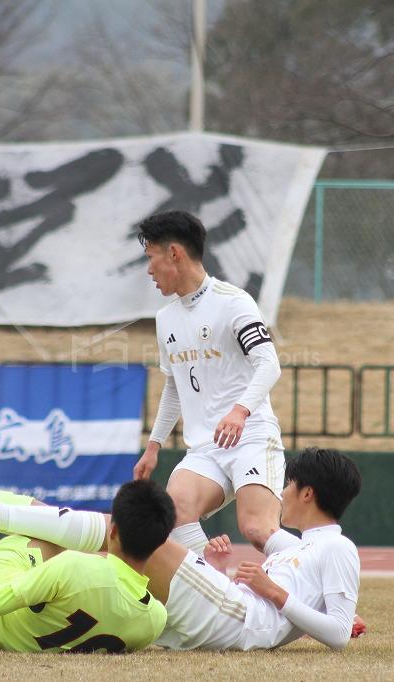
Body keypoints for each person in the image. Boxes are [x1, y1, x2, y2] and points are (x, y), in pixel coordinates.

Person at [0, 446, 362, 651]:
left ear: (307, 493)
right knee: (86, 548)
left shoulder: (338, 548)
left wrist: (274, 591)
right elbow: (332, 609)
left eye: (288, 484)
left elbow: (339, 636)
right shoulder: (301, 545)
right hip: (230, 606)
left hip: (239, 618)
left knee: (129, 531)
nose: (282, 491)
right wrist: (220, 566)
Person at [0, 455, 175, 653]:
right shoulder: (155, 619)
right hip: (14, 635)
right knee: (59, 535)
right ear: (161, 541)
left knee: (47, 534)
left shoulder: (76, 565)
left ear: (112, 531)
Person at [132, 210, 286, 557]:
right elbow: (175, 387)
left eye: (151, 257)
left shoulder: (234, 302)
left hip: (250, 436)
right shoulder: (165, 318)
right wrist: (154, 446)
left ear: (174, 253)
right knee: (175, 510)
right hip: (206, 448)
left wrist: (240, 411)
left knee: (258, 530)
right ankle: (220, 594)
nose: (148, 269)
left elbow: (269, 364)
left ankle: (317, 596)